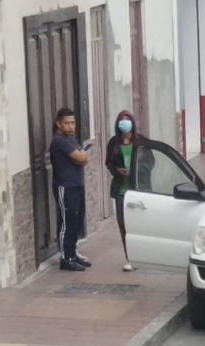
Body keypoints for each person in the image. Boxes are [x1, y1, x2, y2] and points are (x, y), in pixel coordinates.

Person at [49, 108, 92, 272]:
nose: (71, 126)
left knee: (76, 221)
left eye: (73, 123)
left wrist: (82, 157)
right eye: (67, 123)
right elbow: (81, 157)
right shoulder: (59, 141)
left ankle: (72, 253)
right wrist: (82, 156)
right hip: (65, 187)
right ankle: (65, 258)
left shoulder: (72, 140)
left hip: (77, 184)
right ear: (59, 124)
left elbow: (83, 159)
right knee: (67, 222)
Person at [102, 113, 143, 272]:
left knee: (138, 226)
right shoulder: (114, 143)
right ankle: (129, 258)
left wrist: (136, 171)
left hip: (138, 189)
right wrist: (118, 171)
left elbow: (150, 161)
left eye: (127, 121)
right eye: (121, 121)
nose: (125, 124)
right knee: (123, 225)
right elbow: (109, 163)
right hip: (121, 190)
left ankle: (141, 256)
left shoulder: (141, 141)